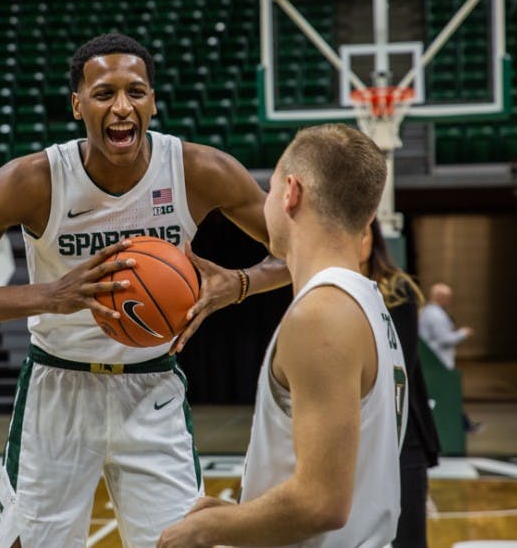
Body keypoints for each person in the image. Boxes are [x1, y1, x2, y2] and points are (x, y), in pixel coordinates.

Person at [0, 32, 288, 547]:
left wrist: (237, 284)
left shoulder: (198, 170)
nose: (122, 107)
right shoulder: (33, 180)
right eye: (105, 94)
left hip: (151, 388)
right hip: (56, 389)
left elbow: (300, 251)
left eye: (137, 91)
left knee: (183, 541)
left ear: (153, 100)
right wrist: (48, 296)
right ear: (77, 104)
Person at [158, 123, 408, 548]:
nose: (266, 200)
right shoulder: (363, 299)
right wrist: (240, 517)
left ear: (291, 192)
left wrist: (205, 529)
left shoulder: (321, 316)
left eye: (270, 188)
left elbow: (321, 504)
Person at [361, 219, 441, 548]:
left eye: (361, 230)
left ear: (373, 238)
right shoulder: (325, 290)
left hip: (400, 436)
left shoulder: (397, 289)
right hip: (357, 443)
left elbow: (397, 371)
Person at [419, 282, 480, 433]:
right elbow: (444, 339)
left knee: (443, 397)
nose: (450, 301)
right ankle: (463, 425)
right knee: (444, 397)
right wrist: (462, 333)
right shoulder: (435, 315)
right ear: (441, 297)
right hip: (438, 362)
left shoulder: (430, 312)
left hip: (435, 361)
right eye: (448, 297)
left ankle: (465, 424)